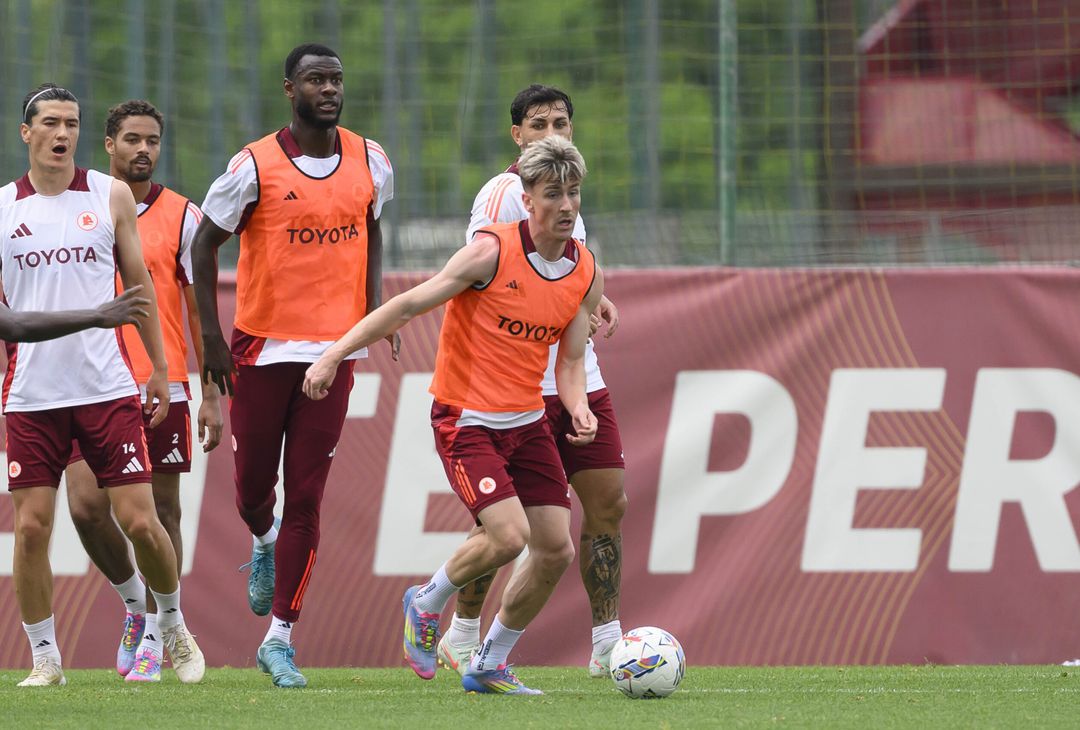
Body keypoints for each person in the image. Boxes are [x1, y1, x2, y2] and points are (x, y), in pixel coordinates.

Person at [304, 135, 602, 695]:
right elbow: (411, 302)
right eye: (554, 194)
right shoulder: (491, 252)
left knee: (556, 548)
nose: (567, 206)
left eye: (575, 194)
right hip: (466, 419)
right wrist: (333, 353)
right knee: (509, 536)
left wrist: (579, 408)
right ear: (527, 197)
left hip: (527, 421)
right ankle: (426, 600)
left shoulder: (584, 272)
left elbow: (570, 362)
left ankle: (489, 662)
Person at [192, 43, 395, 689]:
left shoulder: (372, 159)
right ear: (290, 89)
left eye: (336, 78)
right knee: (254, 489)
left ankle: (279, 639)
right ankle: (261, 540)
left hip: (331, 354)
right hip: (261, 349)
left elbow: (372, 229)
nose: (328, 89)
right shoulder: (254, 166)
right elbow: (202, 243)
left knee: (307, 495)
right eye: (315, 80)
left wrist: (373, 316)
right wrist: (210, 339)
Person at [1, 83, 199, 687]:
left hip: (106, 386)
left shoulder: (108, 195)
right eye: (51, 123)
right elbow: (7, 322)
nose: (63, 135)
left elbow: (140, 291)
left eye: (72, 123)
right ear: (26, 133)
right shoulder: (4, 208)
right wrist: (95, 315)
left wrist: (161, 370)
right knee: (33, 527)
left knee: (142, 521)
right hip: (31, 395)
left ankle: (171, 626)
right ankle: (45, 660)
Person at [438, 84, 627, 678]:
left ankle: (606, 642)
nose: (552, 132)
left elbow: (562, 275)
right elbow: (485, 276)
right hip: (514, 383)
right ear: (516, 135)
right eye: (538, 123)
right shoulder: (503, 194)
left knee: (609, 501)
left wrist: (596, 300)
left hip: (575, 372)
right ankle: (464, 634)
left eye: (562, 122)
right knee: (505, 524)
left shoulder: (568, 190)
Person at [63, 99, 221, 683]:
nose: (143, 150)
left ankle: (159, 632)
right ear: (108, 144)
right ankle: (135, 603)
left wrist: (210, 392)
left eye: (152, 139)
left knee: (162, 512)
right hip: (88, 380)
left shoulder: (183, 215)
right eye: (131, 139)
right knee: (84, 506)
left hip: (162, 381)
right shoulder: (82, 208)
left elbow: (201, 310)